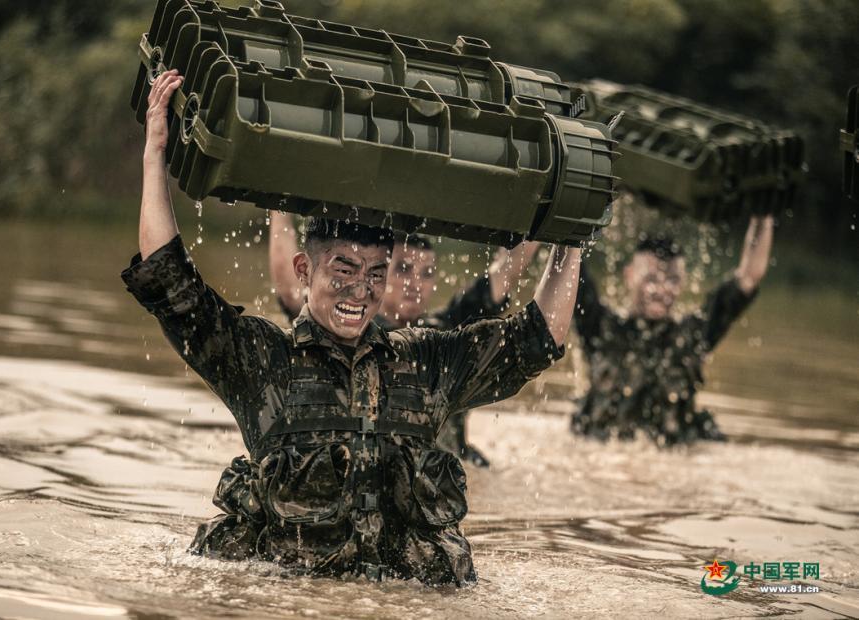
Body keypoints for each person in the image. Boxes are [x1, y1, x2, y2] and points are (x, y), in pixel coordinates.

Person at [122, 69, 584, 585]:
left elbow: (537, 338)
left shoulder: (423, 363)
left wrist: (572, 233)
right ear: (305, 270)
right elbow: (173, 286)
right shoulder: (264, 361)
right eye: (344, 270)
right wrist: (154, 153)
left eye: (376, 275)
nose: (361, 291)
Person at [269, 211, 542, 467]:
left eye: (426, 273)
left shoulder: (446, 333)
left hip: (447, 464)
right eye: (403, 269)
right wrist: (280, 212)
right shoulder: (346, 328)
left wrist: (548, 220)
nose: (416, 283)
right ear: (377, 271)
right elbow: (292, 291)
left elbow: (505, 273)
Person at [571, 215, 774, 445]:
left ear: (683, 282)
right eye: (651, 279)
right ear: (629, 275)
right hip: (603, 456)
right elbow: (570, 266)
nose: (661, 289)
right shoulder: (599, 327)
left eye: (673, 280)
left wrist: (764, 217)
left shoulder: (693, 335)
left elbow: (748, 278)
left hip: (673, 456)